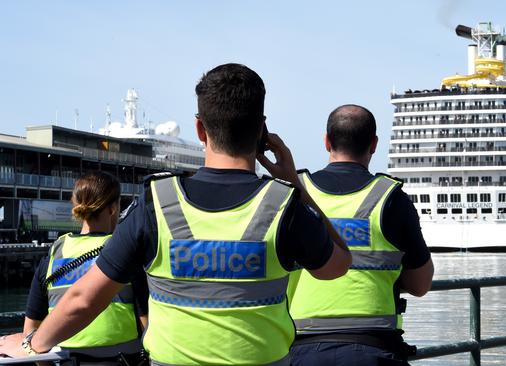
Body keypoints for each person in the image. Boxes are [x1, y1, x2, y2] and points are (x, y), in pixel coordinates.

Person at [0, 63, 352, 365]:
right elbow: (340, 265)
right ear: (261, 131)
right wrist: (295, 183)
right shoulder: (283, 204)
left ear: (200, 129)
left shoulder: (157, 203)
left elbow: (83, 299)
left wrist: (33, 344)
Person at [288, 104, 434, 365]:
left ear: (326, 141)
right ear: (374, 144)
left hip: (300, 348)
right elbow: (420, 285)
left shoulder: (294, 194)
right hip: (373, 350)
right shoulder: (391, 198)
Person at [23, 171, 148, 364]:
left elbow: (30, 333)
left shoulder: (54, 255)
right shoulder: (125, 253)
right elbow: (146, 322)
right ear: (113, 208)